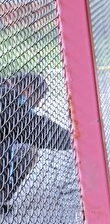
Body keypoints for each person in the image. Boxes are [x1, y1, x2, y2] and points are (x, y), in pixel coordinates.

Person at [0, 73, 72, 214]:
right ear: (29, 89)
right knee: (29, 151)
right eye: (37, 100)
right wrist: (75, 141)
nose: (36, 105)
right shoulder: (6, 96)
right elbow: (35, 129)